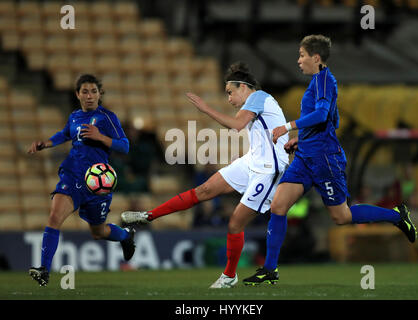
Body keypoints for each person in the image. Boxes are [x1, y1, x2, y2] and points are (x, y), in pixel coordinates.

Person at [242, 35, 417, 285]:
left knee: (341, 217)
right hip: (304, 158)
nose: (298, 60)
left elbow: (322, 113)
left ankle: (397, 216)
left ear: (316, 57)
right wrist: (301, 140)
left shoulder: (325, 80)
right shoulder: (316, 82)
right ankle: (270, 269)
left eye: (302, 55)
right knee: (278, 206)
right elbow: (328, 121)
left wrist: (288, 126)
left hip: (325, 159)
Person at [121, 62, 289, 288]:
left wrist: (205, 108)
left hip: (268, 170)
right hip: (252, 161)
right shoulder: (253, 104)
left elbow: (237, 126)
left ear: (244, 87)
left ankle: (230, 276)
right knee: (204, 190)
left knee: (235, 223)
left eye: (230, 92)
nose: (229, 99)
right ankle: (148, 216)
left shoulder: (258, 97)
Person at [27, 74, 135, 286]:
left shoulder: (107, 117)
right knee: (54, 217)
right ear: (77, 94)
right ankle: (44, 270)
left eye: (93, 91)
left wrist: (100, 137)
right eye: (84, 92)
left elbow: (125, 146)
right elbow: (65, 133)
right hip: (73, 175)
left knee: (98, 232)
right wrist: (45, 144)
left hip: (97, 184)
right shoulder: (75, 116)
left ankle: (125, 236)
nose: (89, 96)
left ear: (99, 94)